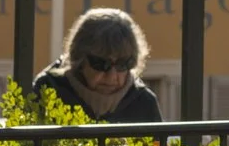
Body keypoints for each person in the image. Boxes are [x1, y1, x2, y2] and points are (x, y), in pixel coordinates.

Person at [30, 8, 161, 123]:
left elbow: (158, 145)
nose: (111, 76)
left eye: (122, 64)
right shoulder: (46, 92)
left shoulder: (144, 103)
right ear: (79, 59)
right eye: (101, 64)